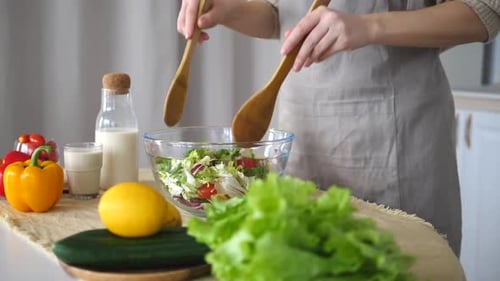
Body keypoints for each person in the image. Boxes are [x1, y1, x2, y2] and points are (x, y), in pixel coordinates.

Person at [177, 0, 500, 257]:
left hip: (396, 139)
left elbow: (486, 11)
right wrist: (230, 9)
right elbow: (282, 14)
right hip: (302, 133)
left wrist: (369, 26)